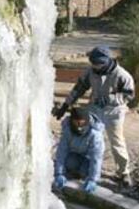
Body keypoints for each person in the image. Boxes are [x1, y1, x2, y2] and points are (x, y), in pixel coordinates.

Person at [53, 45, 134, 187]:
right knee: (87, 135)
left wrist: (111, 99)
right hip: (95, 109)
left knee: (116, 141)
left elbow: (129, 95)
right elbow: (78, 89)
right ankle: (83, 167)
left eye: (98, 64)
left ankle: (123, 172)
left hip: (114, 112)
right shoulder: (90, 72)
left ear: (107, 61)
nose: (95, 66)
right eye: (93, 64)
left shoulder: (122, 75)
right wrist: (66, 106)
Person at [53, 107, 105, 193]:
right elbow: (61, 152)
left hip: (87, 159)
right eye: (76, 123)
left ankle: (84, 175)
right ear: (71, 121)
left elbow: (96, 158)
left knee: (85, 170)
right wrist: (59, 173)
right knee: (68, 162)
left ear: (87, 122)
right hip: (74, 155)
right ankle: (71, 173)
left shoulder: (95, 135)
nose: (79, 127)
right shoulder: (67, 130)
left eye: (82, 123)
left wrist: (93, 179)